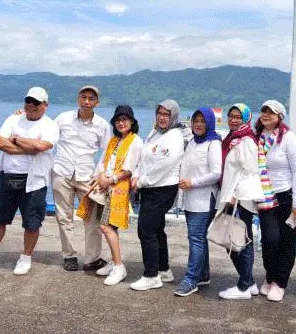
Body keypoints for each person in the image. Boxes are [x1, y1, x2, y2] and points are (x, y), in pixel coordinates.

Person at [0, 87, 58, 275]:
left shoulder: (50, 125)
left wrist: (15, 139)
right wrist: (28, 147)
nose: (31, 105)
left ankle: (25, 258)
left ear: (45, 105)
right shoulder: (13, 119)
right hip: (7, 178)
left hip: (34, 182)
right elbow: (0, 143)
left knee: (32, 223)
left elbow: (43, 146)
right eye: (28, 101)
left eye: (36, 102)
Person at [77, 105, 143, 286]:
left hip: (118, 190)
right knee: (107, 226)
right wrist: (100, 177)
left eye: (124, 120)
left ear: (132, 122)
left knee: (106, 227)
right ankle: (115, 262)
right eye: (118, 120)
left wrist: (110, 179)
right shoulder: (114, 141)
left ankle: (119, 267)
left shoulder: (135, 141)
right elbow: (102, 162)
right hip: (105, 188)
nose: (121, 123)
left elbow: (129, 169)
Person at [52, 85, 112, 272]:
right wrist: (22, 116)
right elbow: (47, 135)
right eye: (83, 97)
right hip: (62, 172)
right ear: (78, 99)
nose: (86, 101)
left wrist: (101, 173)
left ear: (97, 103)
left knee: (92, 219)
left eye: (91, 99)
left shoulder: (102, 125)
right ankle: (69, 256)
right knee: (64, 217)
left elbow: (108, 152)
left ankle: (92, 259)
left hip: (87, 177)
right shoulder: (63, 118)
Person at [129, 99, 185, 291]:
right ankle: (163, 269)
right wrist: (136, 175)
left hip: (162, 188)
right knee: (157, 229)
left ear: (173, 116)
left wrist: (141, 181)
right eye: (159, 113)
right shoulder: (155, 132)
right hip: (149, 187)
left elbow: (164, 165)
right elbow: (144, 156)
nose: (162, 117)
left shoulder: (175, 137)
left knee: (146, 230)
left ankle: (151, 275)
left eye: (166, 114)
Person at [254, 100, 296, 302]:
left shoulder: (288, 138)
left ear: (280, 117)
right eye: (264, 111)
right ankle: (270, 276)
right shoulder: (258, 138)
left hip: (286, 197)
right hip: (265, 197)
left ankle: (280, 282)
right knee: (269, 240)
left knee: (286, 242)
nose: (266, 115)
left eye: (271, 112)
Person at [217, 103, 264, 300]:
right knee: (232, 239)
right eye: (231, 116)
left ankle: (244, 286)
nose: (233, 120)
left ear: (246, 119)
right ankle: (249, 282)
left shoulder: (247, 141)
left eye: (238, 117)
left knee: (240, 240)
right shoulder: (232, 138)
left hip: (240, 198)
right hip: (232, 196)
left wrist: (234, 194)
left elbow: (251, 171)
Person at [174, 107, 222, 297]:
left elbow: (216, 173)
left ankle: (190, 279)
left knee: (196, 239)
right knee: (199, 238)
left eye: (203, 121)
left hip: (203, 199)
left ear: (209, 123)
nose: (198, 124)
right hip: (190, 198)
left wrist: (192, 182)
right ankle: (203, 274)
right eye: (196, 121)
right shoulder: (193, 141)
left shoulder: (213, 143)